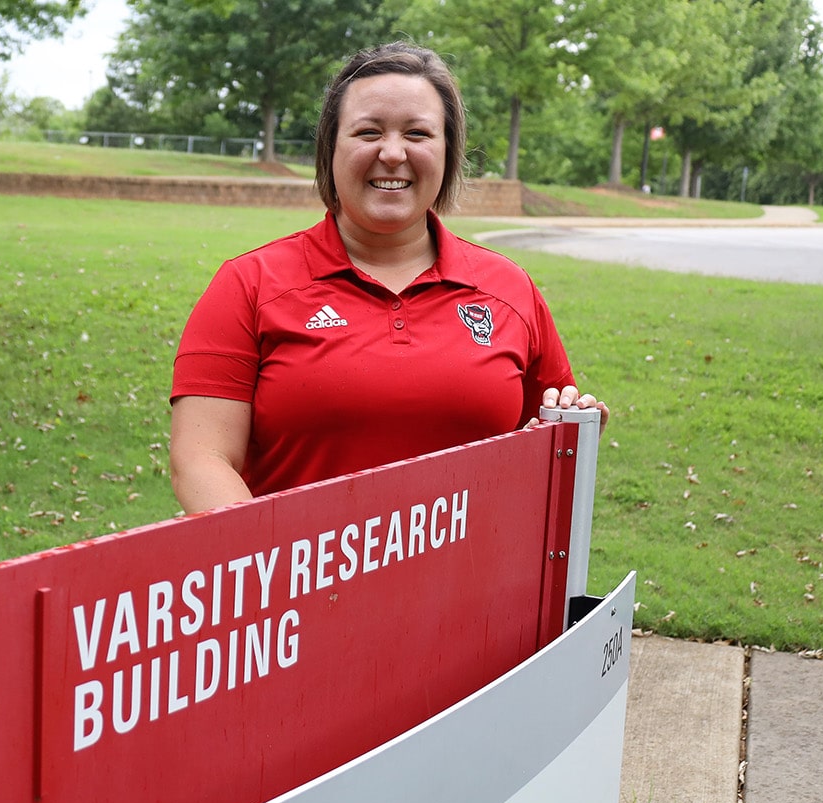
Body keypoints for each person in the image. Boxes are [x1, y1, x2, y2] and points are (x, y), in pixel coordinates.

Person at [169, 42, 608, 514]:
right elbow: (201, 459)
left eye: (418, 133)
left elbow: (545, 453)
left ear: (447, 152)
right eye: (368, 131)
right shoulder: (249, 284)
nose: (393, 153)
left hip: (474, 584)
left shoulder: (508, 288)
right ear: (331, 148)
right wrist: (276, 569)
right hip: (306, 581)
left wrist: (571, 431)